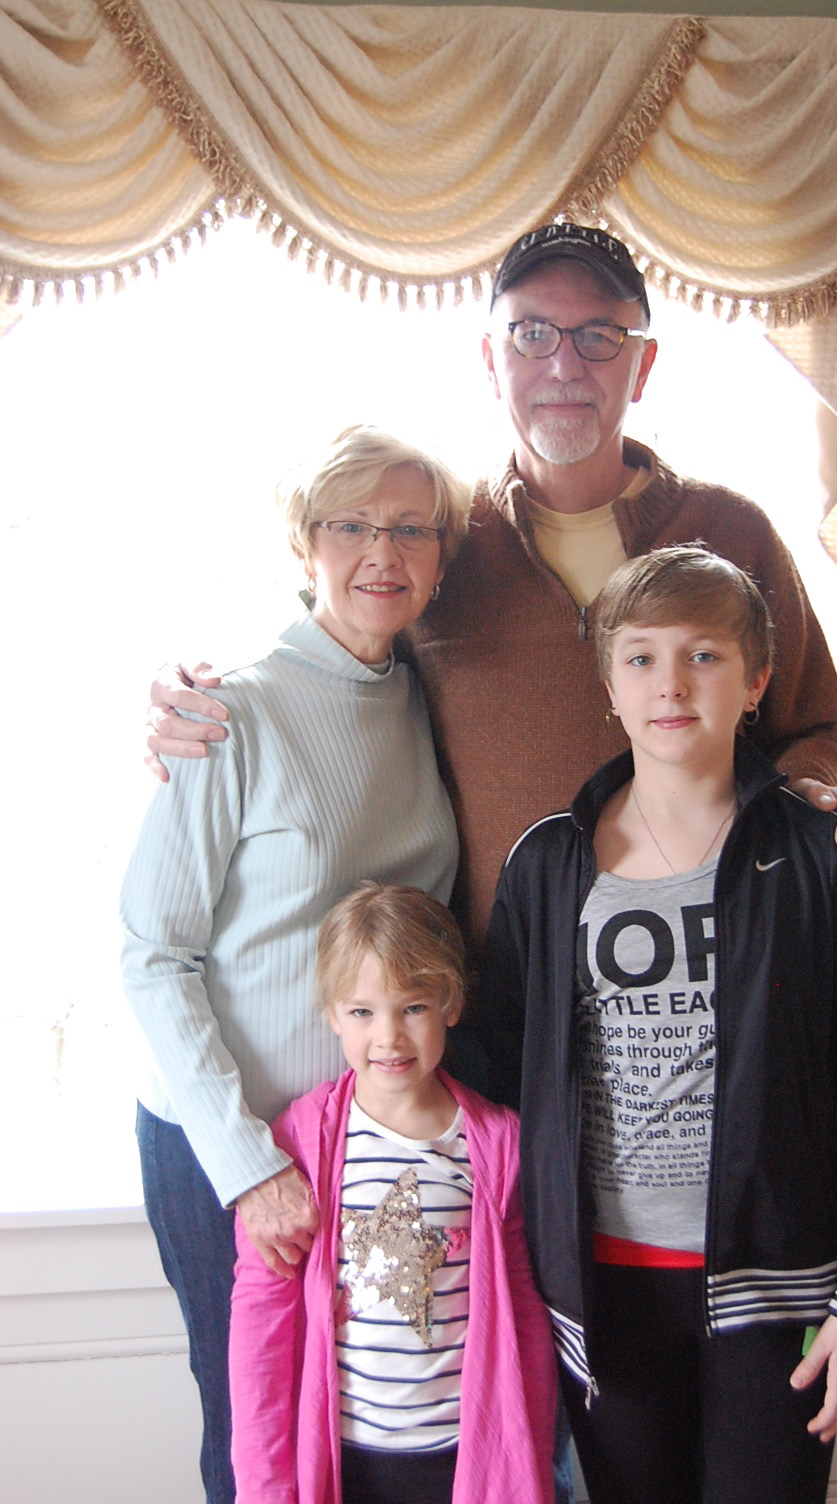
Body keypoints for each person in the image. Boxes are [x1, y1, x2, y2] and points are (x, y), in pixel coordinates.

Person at [143, 223, 837, 973]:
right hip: (499, 992)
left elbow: (816, 725)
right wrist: (205, 703)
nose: (564, 365)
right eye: (531, 334)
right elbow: (334, 661)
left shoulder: (732, 534)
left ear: (642, 365)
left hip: (707, 975)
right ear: (491, 362)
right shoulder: (440, 541)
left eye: (599, 335)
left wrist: (811, 806)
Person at [482, 545, 837, 1504]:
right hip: (603, 1297)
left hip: (783, 1286)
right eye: (640, 658)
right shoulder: (547, 865)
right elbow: (504, 1076)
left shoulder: (821, 856)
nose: (670, 684)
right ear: (608, 684)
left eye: (704, 656)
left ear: (757, 681)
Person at [120, 427, 470, 1504]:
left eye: (411, 528)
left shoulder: (430, 698)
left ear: (442, 556)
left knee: (364, 1444)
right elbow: (154, 953)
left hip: (365, 1143)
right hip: (230, 1145)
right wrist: (248, 1163)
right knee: (255, 1438)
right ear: (304, 543)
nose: (383, 551)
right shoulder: (230, 709)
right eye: (351, 524)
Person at [229, 881, 557, 1504]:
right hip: (346, 1462)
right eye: (362, 1012)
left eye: (413, 1007)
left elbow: (525, 1319)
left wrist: (527, 1463)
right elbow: (260, 1324)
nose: (388, 1037)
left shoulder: (500, 1145)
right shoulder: (298, 1143)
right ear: (331, 1014)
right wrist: (263, 1487)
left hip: (462, 1462)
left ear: (452, 1004)